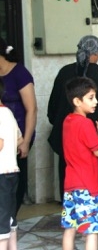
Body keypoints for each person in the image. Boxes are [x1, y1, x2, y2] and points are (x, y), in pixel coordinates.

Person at [47, 35, 98, 203]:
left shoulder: (64, 72)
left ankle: (70, 206)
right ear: (95, 54)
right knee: (96, 172)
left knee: (69, 169)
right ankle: (96, 203)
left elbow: (52, 108)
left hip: (66, 139)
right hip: (95, 137)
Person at [61, 77, 98, 250]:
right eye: (91, 98)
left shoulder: (68, 121)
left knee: (70, 228)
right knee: (92, 230)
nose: (96, 101)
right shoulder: (85, 123)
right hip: (88, 186)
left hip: (71, 185)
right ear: (77, 101)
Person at [0, 38, 37, 211]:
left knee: (15, 178)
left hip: (19, 135)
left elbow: (32, 109)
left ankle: (11, 217)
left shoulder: (19, 73)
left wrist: (26, 141)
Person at [0, 79, 24, 250]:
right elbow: (19, 140)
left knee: (2, 217)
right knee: (8, 214)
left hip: (1, 173)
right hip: (11, 171)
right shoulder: (8, 113)